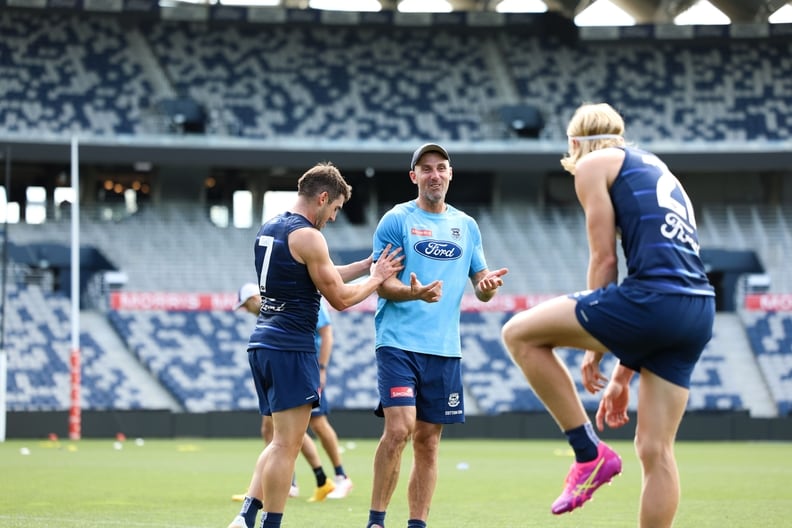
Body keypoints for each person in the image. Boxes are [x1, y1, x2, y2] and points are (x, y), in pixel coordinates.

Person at [501, 102, 715, 526]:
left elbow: (604, 260)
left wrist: (596, 349)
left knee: (519, 334)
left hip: (654, 301)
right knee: (656, 451)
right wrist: (622, 375)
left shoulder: (593, 164)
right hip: (697, 310)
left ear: (574, 142)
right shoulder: (656, 167)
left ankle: (589, 453)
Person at [227, 162, 404, 528]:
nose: (334, 217)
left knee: (278, 441)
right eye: (335, 208)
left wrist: (366, 265)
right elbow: (339, 299)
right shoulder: (309, 236)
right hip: (291, 346)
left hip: (263, 343)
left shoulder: (271, 227)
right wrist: (377, 279)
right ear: (323, 198)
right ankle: (269, 523)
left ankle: (246, 517)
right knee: (285, 447)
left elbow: (318, 272)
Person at [366, 143, 508, 528]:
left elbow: (481, 284)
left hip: (444, 349)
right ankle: (376, 521)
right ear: (414, 177)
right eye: (425, 168)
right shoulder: (397, 220)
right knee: (398, 429)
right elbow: (381, 284)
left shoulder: (467, 226)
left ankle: (417, 524)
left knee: (428, 442)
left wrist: (489, 285)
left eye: (440, 167)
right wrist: (413, 292)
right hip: (398, 341)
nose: (434, 174)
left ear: (450, 174)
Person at [232, 283, 351, 502]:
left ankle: (338, 476)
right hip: (289, 366)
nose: (247, 311)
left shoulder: (302, 299)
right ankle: (293, 482)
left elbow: (327, 334)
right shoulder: (274, 309)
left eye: (246, 305)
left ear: (253, 298)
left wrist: (322, 368)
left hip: (304, 366)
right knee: (274, 427)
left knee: (315, 424)